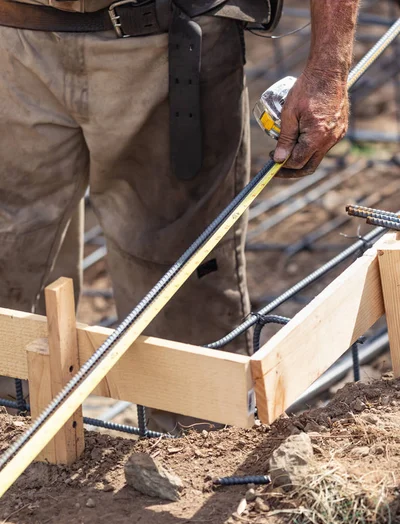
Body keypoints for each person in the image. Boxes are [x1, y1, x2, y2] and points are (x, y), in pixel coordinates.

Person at [0, 0, 360, 432]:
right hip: (15, 35)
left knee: (180, 290)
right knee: (10, 260)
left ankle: (190, 464)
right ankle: (19, 447)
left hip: (167, 41)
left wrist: (327, 70)